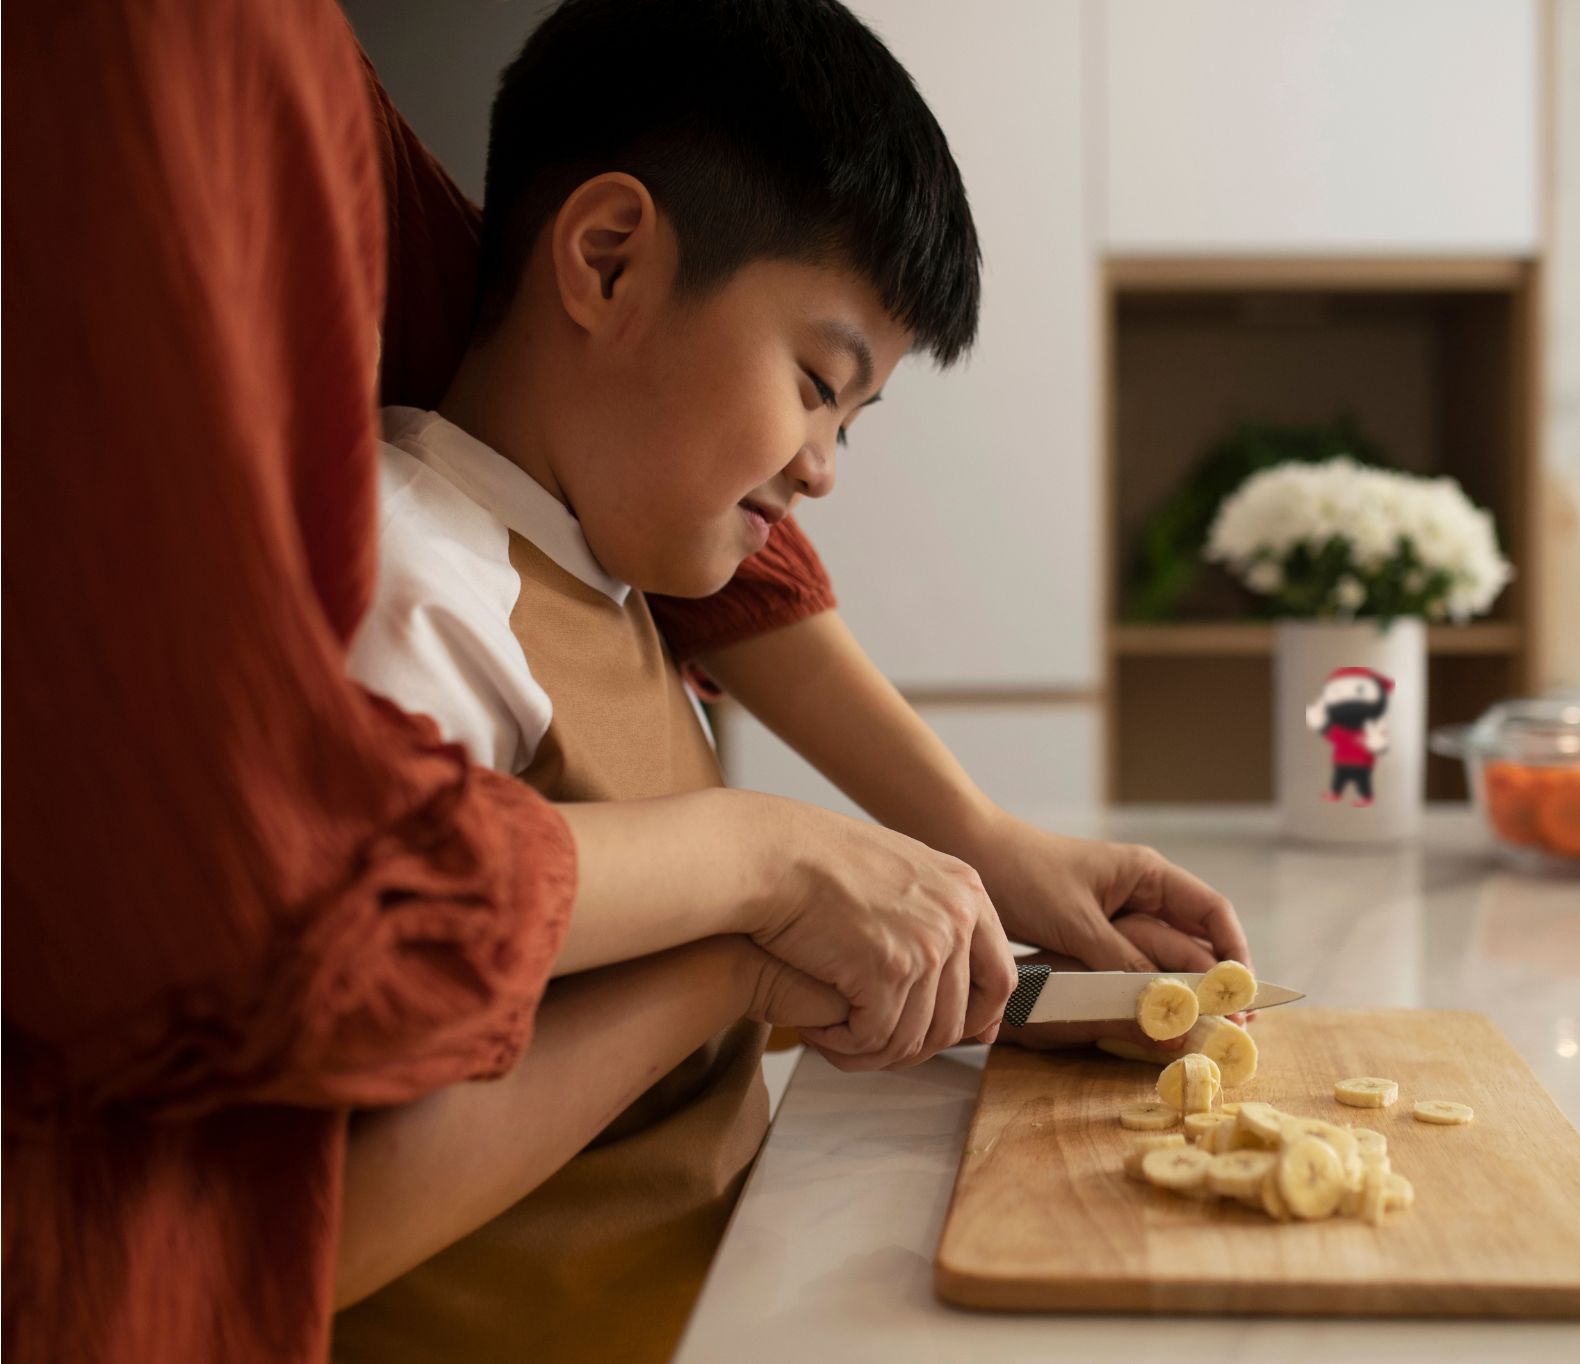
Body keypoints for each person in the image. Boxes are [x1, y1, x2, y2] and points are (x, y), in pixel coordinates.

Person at [2, 2, 1247, 1361]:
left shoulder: (624, 579)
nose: (826, 464)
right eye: (817, 382)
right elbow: (307, 1214)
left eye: (854, 419)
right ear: (606, 263)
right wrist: (739, 959)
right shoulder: (427, 599)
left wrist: (894, 921)